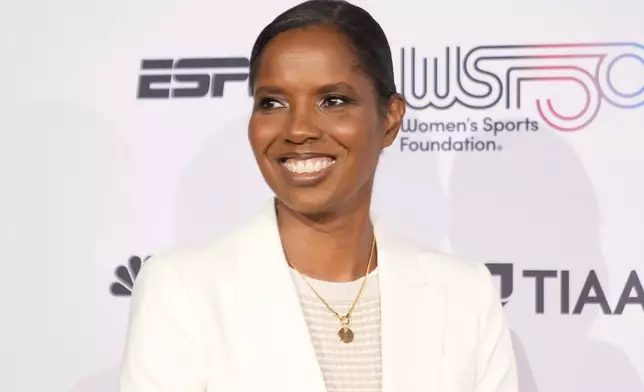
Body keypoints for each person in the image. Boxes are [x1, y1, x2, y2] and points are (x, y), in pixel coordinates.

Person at [118, 1, 519, 391]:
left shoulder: (464, 296)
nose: (298, 129)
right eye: (272, 102)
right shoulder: (182, 290)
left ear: (391, 119)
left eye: (333, 101)